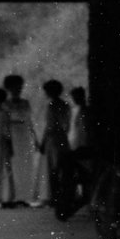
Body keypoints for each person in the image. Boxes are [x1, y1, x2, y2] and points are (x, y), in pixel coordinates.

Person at [40, 79, 75, 216]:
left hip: (53, 139)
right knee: (60, 167)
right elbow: (66, 124)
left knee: (54, 168)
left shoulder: (52, 106)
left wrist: (43, 142)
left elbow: (49, 126)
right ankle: (59, 196)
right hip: (61, 138)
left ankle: (55, 197)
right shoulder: (65, 105)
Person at [2, 74, 37, 207]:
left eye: (20, 86)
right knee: (13, 165)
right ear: (9, 88)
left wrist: (35, 139)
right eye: (15, 87)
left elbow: (30, 122)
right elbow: (3, 123)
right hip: (12, 134)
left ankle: (23, 197)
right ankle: (10, 196)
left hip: (25, 135)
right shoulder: (5, 104)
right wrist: (7, 138)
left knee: (25, 165)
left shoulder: (25, 103)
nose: (18, 89)